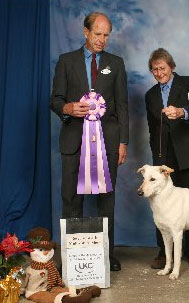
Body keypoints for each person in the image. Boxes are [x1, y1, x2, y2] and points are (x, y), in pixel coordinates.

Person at [50, 12, 128, 271]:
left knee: (107, 200)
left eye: (106, 35)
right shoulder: (66, 61)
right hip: (73, 140)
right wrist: (68, 107)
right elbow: (55, 100)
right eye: (97, 34)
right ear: (85, 32)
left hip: (108, 141)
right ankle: (71, 259)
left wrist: (123, 142)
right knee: (71, 199)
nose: (102, 40)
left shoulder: (116, 64)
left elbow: (123, 106)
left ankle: (107, 254)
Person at [145, 48, 189, 269]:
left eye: (162, 68)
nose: (159, 72)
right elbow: (152, 129)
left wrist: (182, 112)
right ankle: (164, 253)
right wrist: (156, 158)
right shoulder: (150, 95)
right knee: (161, 203)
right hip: (166, 158)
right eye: (154, 69)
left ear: (171, 67)